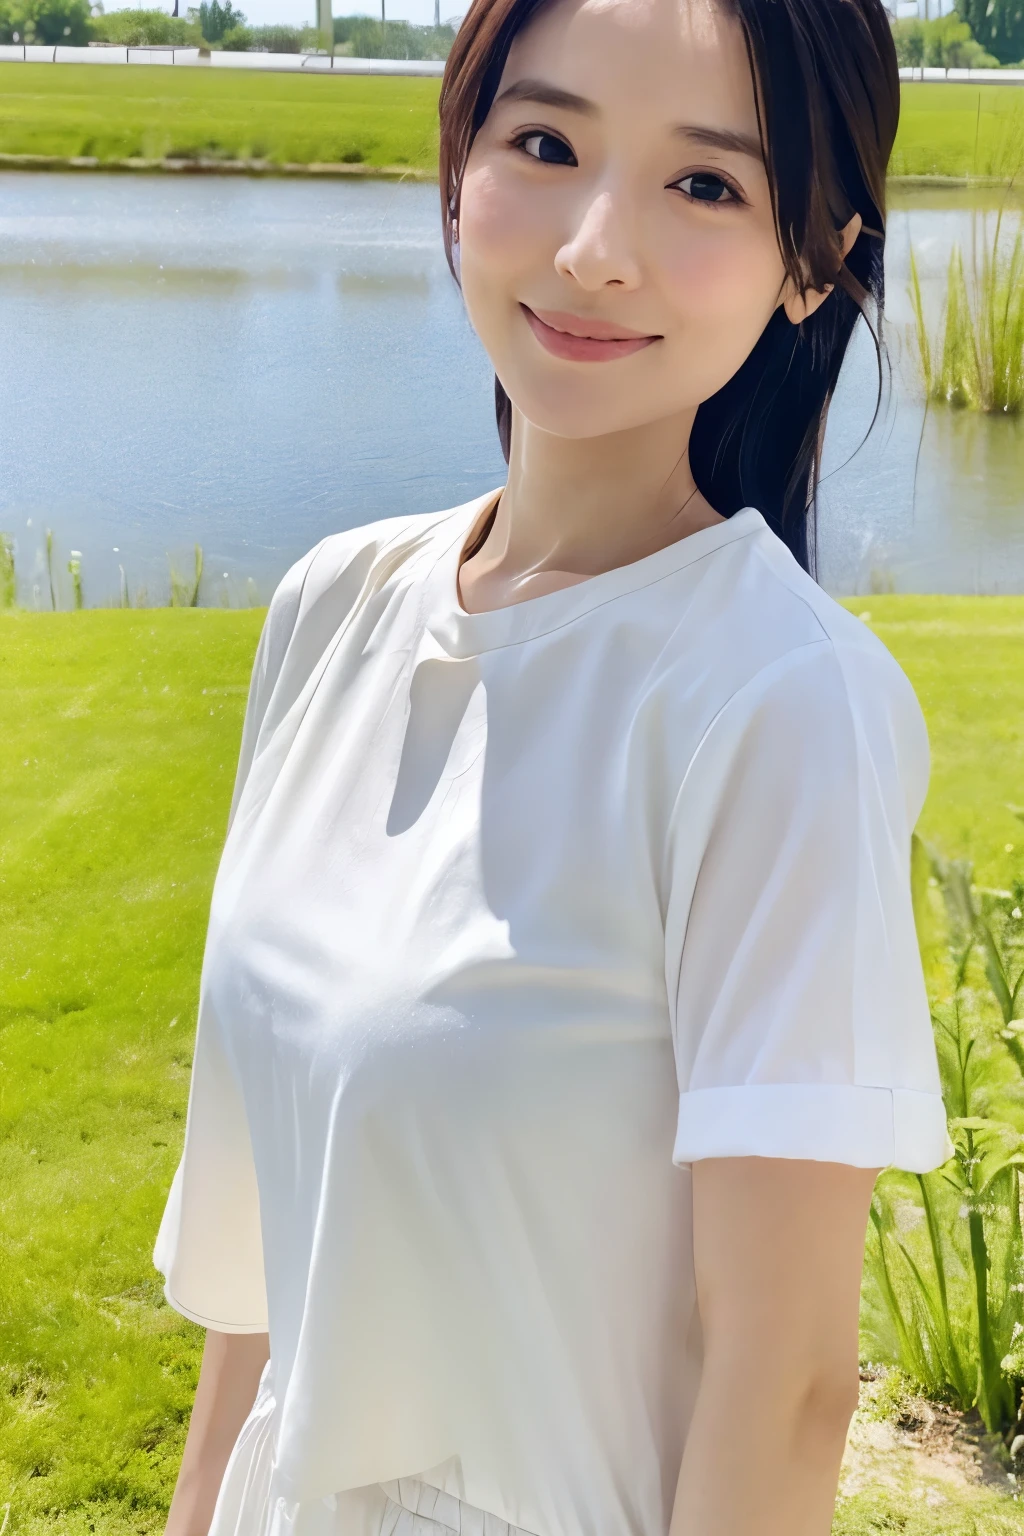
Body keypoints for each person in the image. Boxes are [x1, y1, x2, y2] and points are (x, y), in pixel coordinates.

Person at [155, 0, 955, 1532]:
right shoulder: (334, 608)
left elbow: (782, 1388)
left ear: (815, 259)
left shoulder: (778, 703)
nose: (596, 247)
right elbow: (258, 1280)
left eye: (706, 184)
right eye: (546, 142)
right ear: (461, 171)